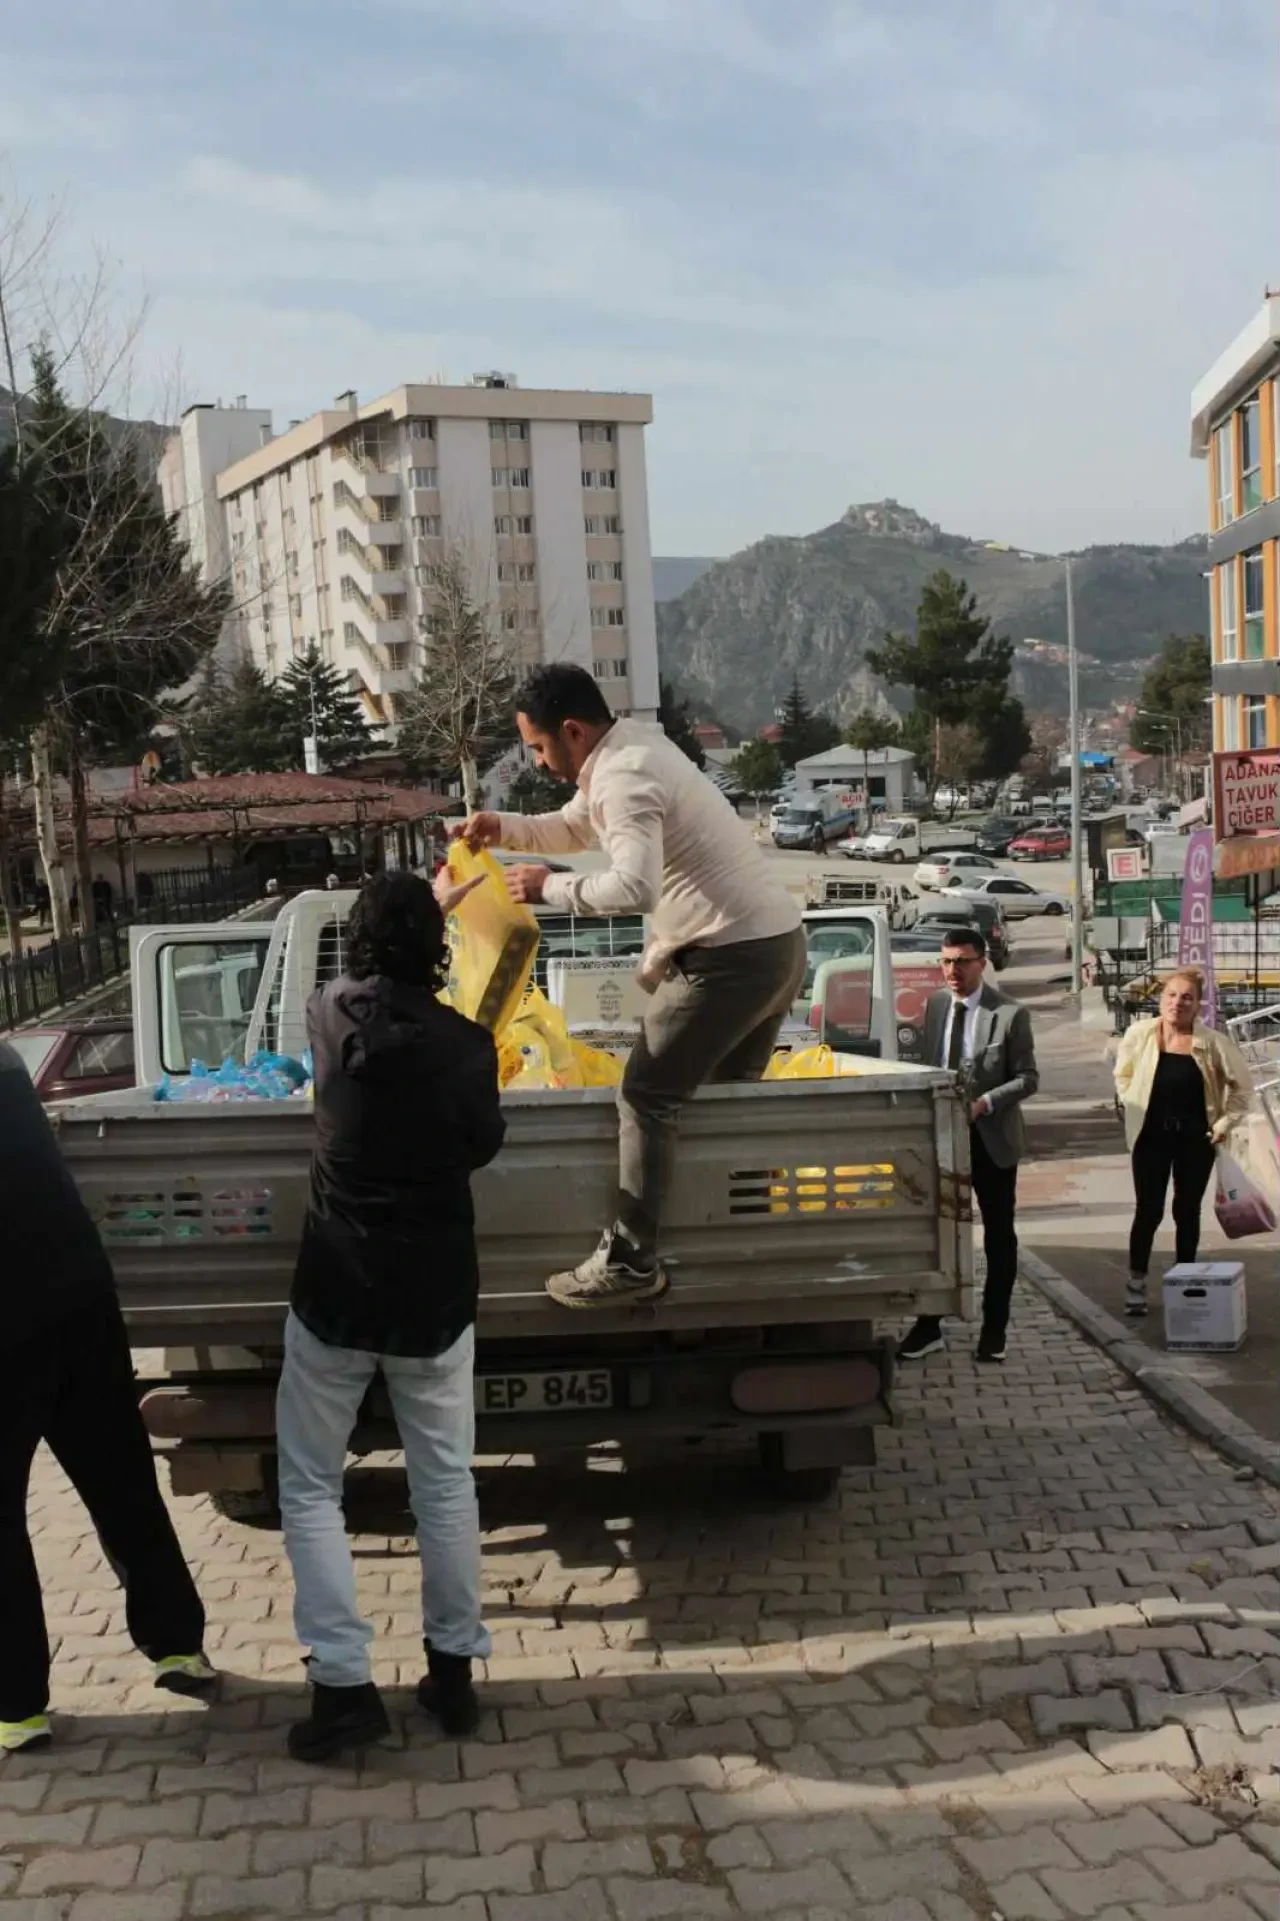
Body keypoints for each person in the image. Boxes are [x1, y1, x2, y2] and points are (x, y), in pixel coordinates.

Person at [455, 663, 806, 1308]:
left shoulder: (624, 775)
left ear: (572, 730)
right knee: (728, 1102)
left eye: (538, 747)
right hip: (775, 945)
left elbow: (634, 887)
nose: (537, 762)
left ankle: (632, 1260)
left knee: (644, 1094)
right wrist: (501, 827)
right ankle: (744, 1237)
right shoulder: (632, 748)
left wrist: (549, 887)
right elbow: (575, 826)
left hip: (730, 956)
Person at [277, 869, 504, 1764]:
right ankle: (452, 1677)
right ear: (437, 948)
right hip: (433, 1300)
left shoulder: (329, 1013)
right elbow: (482, 1142)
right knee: (444, 1485)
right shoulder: (469, 1046)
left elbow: (359, 993)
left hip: (335, 1291)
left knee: (310, 1486)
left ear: (357, 941)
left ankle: (342, 1688)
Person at [0, 1041, 215, 1753]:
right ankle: (176, 1644)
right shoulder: (6, 1063)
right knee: (122, 1483)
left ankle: (16, 1706)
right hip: (78, 1298)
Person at [898, 926, 1039, 1365]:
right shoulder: (936, 1005)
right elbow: (928, 1066)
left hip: (991, 1141)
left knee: (998, 1236)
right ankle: (929, 1326)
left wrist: (986, 1103)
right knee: (937, 1233)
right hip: (942, 1139)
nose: (952, 971)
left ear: (982, 963)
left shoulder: (1010, 1014)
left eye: (961, 962)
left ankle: (994, 1330)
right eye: (945, 962)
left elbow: (1028, 1079)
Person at [1113, 968, 1253, 1317]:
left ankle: (1184, 1282)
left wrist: (1223, 1123)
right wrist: (1131, 1101)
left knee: (1187, 1210)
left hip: (1195, 1138)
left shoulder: (1213, 1042)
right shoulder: (1140, 1034)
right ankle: (1136, 1282)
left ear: (1198, 1005)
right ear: (1161, 999)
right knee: (1148, 1210)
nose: (1178, 1003)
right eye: (1172, 995)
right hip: (1150, 1137)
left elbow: (1243, 1088)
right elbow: (1123, 1074)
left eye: (1187, 997)